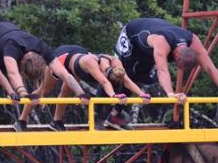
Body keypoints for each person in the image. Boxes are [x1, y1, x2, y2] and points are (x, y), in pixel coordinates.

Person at [111, 17, 218, 128]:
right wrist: (171, 94)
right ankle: (108, 115)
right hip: (132, 35)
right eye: (178, 65)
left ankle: (115, 114)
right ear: (176, 56)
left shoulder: (193, 40)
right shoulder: (162, 43)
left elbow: (210, 67)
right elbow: (162, 70)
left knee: (145, 78)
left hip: (147, 49)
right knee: (123, 75)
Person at [17, 45, 151, 131]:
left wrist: (141, 94)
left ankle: (56, 121)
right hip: (62, 58)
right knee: (43, 91)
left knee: (66, 91)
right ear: (106, 72)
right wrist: (114, 96)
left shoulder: (115, 63)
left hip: (76, 59)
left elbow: (126, 80)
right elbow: (104, 82)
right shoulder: (92, 64)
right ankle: (21, 120)